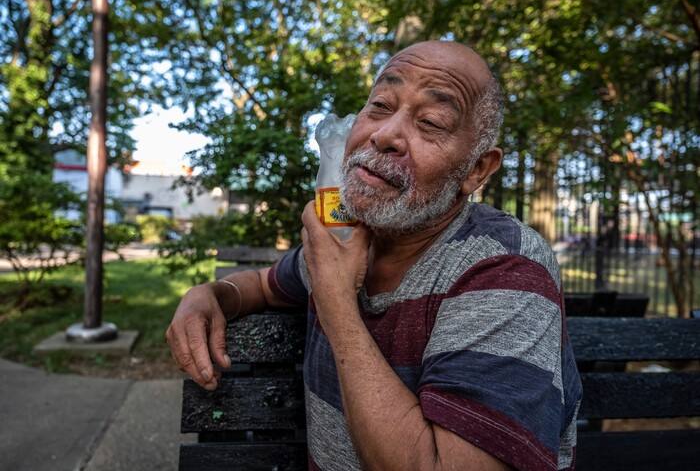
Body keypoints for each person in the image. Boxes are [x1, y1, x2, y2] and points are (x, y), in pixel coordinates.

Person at [166, 40, 582, 471]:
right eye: (380, 105)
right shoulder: (349, 240)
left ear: (477, 170)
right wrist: (210, 295)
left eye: (431, 122)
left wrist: (336, 303)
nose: (384, 135)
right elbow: (262, 286)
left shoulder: (505, 268)